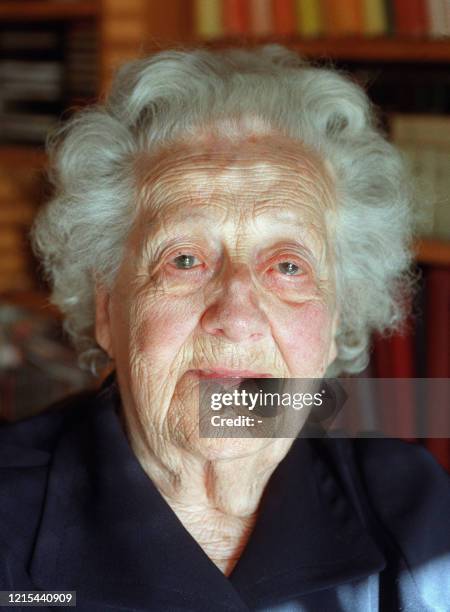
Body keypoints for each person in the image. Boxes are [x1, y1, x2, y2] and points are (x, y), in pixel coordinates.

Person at [1, 44, 449, 611]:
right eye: (184, 260)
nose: (237, 317)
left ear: (336, 319)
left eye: (288, 266)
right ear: (108, 309)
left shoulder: (417, 510)